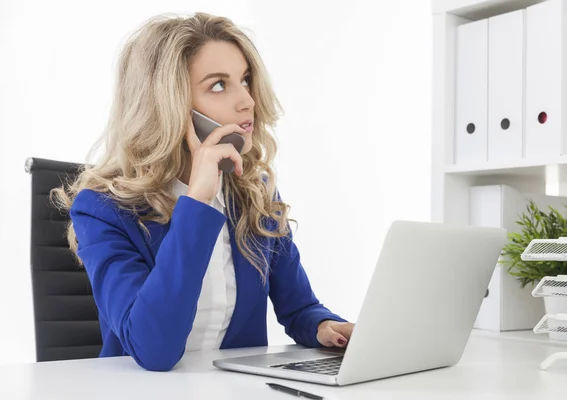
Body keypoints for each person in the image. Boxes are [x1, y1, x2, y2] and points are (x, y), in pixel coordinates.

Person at [51, 12, 354, 372]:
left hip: (233, 389)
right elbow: (154, 350)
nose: (247, 101)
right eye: (219, 85)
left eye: (245, 80)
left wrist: (324, 327)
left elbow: (299, 307)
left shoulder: (253, 193)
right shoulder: (101, 209)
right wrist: (197, 201)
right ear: (167, 104)